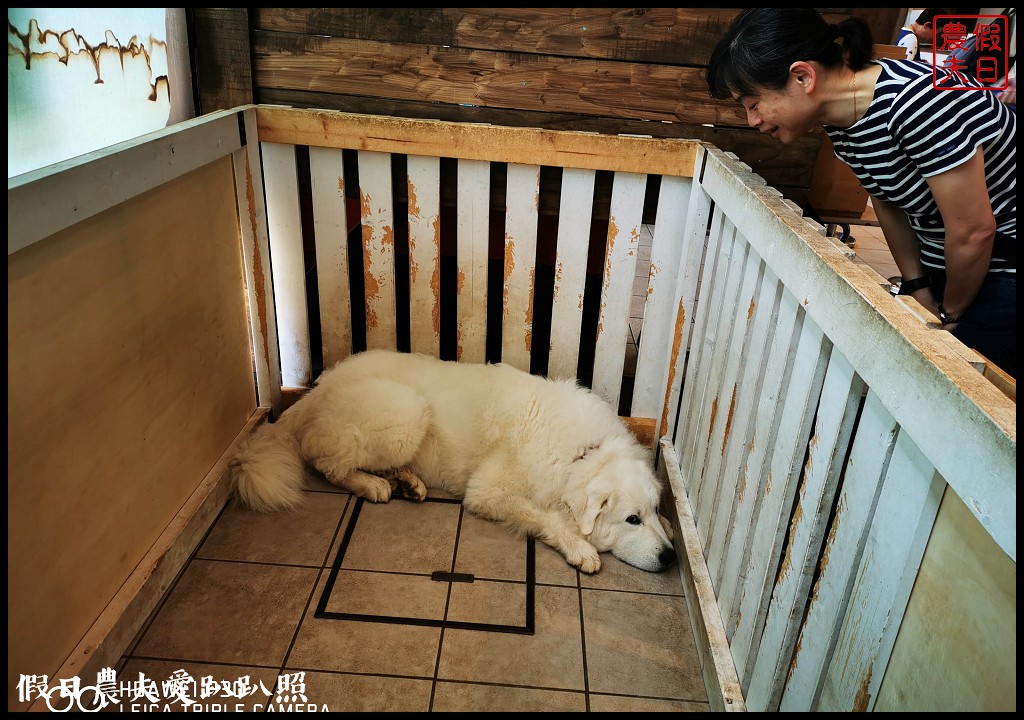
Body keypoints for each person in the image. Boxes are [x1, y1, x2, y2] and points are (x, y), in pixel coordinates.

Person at [706, 9, 1017, 378]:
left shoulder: (919, 101)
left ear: (803, 76)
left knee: (964, 389)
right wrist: (917, 287)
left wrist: (950, 315)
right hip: (952, 268)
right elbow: (886, 200)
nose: (752, 121)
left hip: (1002, 267)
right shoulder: (843, 118)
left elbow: (974, 230)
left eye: (753, 103)